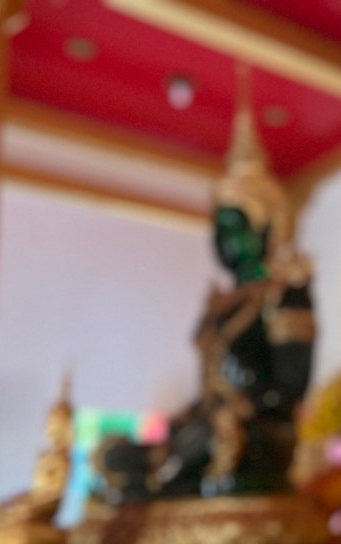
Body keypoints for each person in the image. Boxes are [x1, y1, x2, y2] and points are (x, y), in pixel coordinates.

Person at [96, 71, 314, 502]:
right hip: (207, 424)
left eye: (234, 226)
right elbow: (210, 388)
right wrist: (195, 416)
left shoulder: (284, 293)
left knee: (218, 439)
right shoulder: (219, 305)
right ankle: (159, 473)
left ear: (267, 226)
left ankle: (161, 479)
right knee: (114, 451)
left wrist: (240, 410)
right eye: (218, 228)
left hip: (259, 433)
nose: (223, 240)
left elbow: (291, 388)